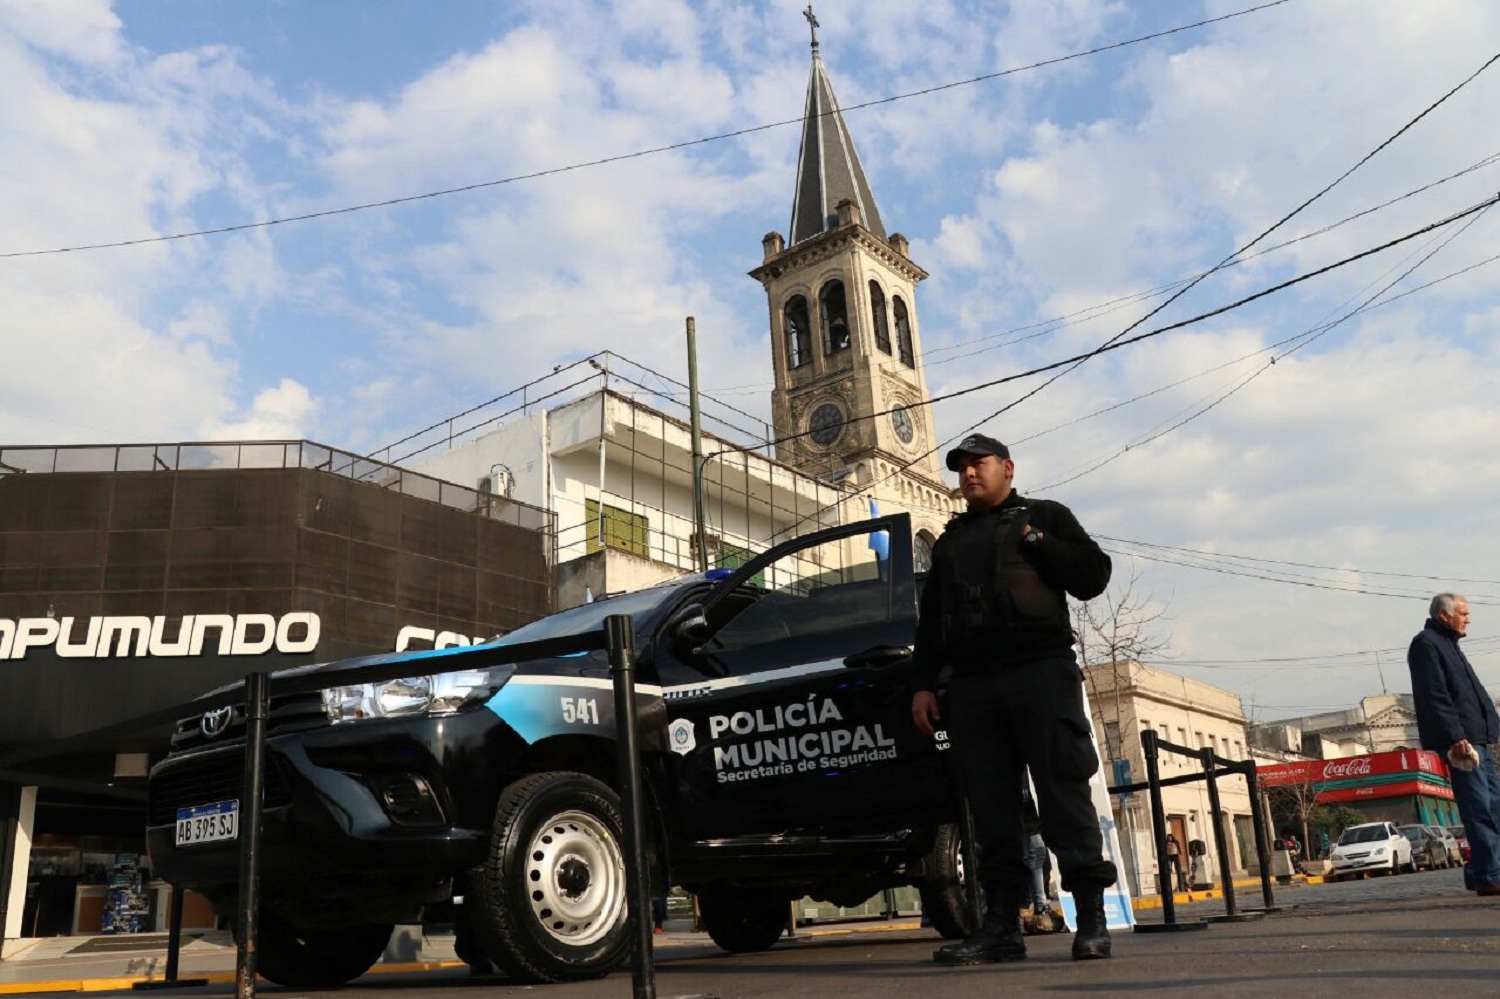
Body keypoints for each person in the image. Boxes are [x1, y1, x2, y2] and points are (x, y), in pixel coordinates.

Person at [911, 433, 1116, 965]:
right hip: (973, 686)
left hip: (1040, 673)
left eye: (978, 465)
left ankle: (1090, 919)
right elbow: (932, 620)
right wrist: (922, 684)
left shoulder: (1046, 515)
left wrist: (1038, 541)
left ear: (1007, 467)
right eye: (961, 469)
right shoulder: (951, 540)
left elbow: (1093, 577)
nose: (969, 475)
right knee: (990, 810)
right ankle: (1002, 926)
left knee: (1063, 794)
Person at [1407, 593, 1500, 897]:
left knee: (1494, 807)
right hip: (1462, 743)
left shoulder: (1450, 645)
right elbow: (1435, 695)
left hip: (1480, 740)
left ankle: (1483, 872)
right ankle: (1489, 874)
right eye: (1463, 613)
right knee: (1479, 809)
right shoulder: (1426, 644)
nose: (1468, 618)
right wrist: (1454, 736)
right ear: (1444, 615)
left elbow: (1471, 695)